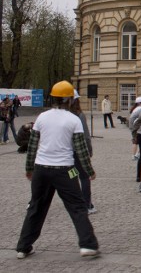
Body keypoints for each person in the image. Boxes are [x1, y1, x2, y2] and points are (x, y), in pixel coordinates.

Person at [16, 80, 99, 259]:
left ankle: (23, 247)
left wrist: (29, 168)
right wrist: (89, 171)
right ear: (69, 99)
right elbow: (81, 149)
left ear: (53, 98)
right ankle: (87, 245)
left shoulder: (42, 117)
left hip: (41, 169)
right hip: (66, 170)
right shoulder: (73, 119)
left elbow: (32, 146)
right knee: (77, 206)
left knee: (36, 207)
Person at [70, 90, 96, 214]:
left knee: (72, 175)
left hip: (65, 153)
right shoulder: (79, 115)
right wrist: (89, 150)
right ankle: (87, 204)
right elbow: (85, 135)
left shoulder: (61, 114)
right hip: (77, 151)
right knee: (84, 177)